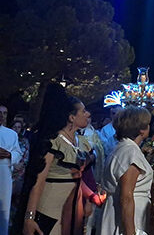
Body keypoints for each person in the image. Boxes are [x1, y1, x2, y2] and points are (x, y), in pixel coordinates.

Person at [22, 85, 93, 235]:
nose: (88, 114)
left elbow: (80, 177)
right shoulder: (54, 141)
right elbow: (39, 181)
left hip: (74, 212)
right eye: (83, 111)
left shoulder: (83, 142)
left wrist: (89, 198)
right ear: (71, 117)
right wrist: (29, 218)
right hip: (50, 211)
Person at [98, 107, 152, 234]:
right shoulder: (130, 152)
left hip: (116, 211)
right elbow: (126, 197)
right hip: (127, 217)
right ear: (141, 130)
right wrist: (130, 231)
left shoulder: (122, 147)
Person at [0, 104, 22, 235]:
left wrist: (9, 155)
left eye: (4, 113)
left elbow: (17, 153)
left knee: (3, 210)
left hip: (4, 174)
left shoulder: (11, 134)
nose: (1, 116)